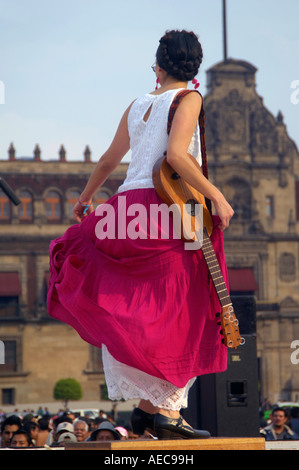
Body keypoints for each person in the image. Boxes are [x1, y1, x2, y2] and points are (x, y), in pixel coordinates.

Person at [47, 29, 234, 440]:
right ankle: (167, 411)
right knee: (181, 305)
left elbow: (110, 159)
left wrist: (85, 198)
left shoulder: (138, 104)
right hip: (168, 208)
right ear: (195, 68)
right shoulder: (190, 98)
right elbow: (176, 156)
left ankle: (148, 410)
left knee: (141, 306)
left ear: (158, 65)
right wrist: (217, 196)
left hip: (126, 210)